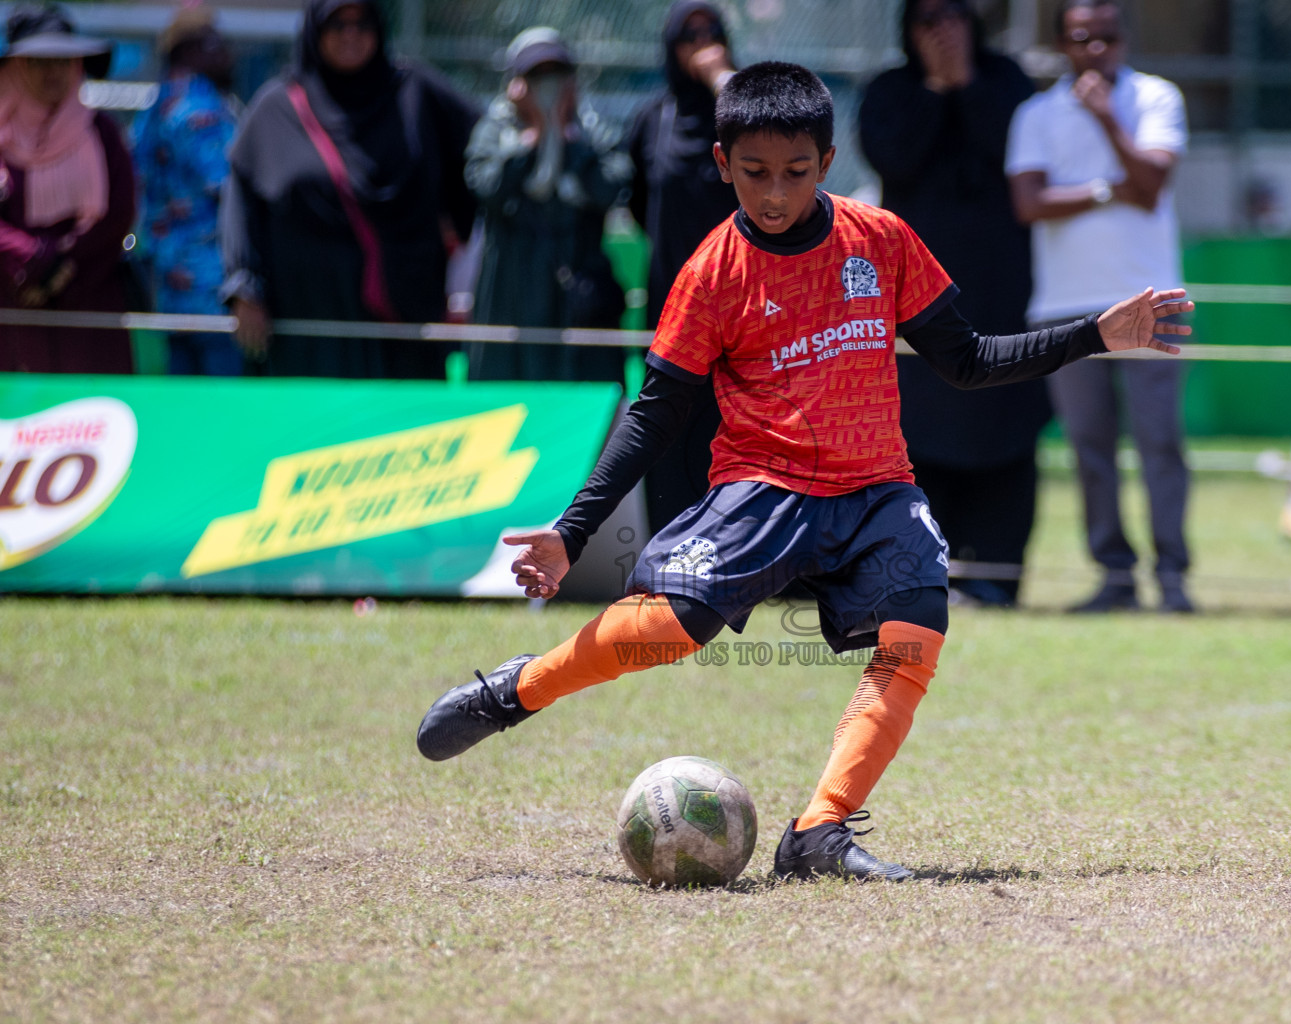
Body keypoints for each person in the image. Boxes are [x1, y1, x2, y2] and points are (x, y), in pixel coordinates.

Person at [415, 63, 1191, 881]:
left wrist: (1095, 335)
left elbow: (966, 360)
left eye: (795, 172)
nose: (775, 193)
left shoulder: (881, 240)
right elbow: (656, 412)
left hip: (875, 487)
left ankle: (819, 832)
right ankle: (514, 691)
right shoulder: (711, 273)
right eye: (753, 174)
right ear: (722, 164)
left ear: (826, 162)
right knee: (669, 630)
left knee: (917, 631)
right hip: (762, 487)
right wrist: (573, 533)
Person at [1006, 0, 1194, 614]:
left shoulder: (1157, 98)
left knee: (1160, 444)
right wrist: (1109, 187)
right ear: (1063, 44)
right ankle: (1115, 577)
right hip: (1066, 309)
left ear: (1125, 40)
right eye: (1082, 38)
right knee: (1090, 448)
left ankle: (1172, 579)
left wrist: (1108, 119)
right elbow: (1029, 203)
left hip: (1153, 302)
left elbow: (1153, 185)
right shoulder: (1035, 114)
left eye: (1108, 38)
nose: (1095, 50)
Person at [860, 0, 1045, 607]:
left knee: (1006, 420)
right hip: (919, 298)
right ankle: (923, 573)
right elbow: (895, 158)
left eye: (954, 17)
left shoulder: (1008, 82)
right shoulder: (891, 91)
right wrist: (936, 90)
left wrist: (965, 85)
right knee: (921, 430)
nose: (943, 32)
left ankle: (996, 574)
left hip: (1003, 290)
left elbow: (1016, 151)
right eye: (928, 20)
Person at [220, 0, 478, 379]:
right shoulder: (276, 109)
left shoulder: (415, 92)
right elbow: (240, 208)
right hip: (306, 334)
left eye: (363, 25)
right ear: (314, 32)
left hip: (402, 329)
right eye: (337, 25)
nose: (351, 36)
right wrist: (243, 291)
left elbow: (481, 148)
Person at [627, 1, 742, 534]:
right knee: (669, 428)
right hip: (675, 300)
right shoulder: (654, 116)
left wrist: (722, 79)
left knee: (739, 430)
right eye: (687, 37)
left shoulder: (740, 113)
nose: (701, 45)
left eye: (711, 34)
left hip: (744, 302)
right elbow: (636, 201)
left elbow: (760, 124)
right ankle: (669, 554)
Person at [464, 27, 630, 383]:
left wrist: (568, 142)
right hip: (510, 294)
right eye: (536, 76)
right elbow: (486, 188)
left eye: (556, 74)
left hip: (578, 294)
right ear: (516, 83)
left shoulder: (593, 130)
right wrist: (534, 137)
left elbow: (611, 187)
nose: (548, 86)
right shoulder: (494, 129)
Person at [0, 4, 135, 374]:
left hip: (87, 311)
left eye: (62, 60)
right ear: (15, 66)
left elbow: (119, 216)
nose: (52, 73)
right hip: (11, 312)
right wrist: (30, 262)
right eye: (38, 62)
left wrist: (63, 266)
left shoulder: (102, 134)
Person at [133, 4, 242, 376]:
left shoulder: (153, 108)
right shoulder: (201, 110)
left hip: (167, 287)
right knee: (223, 412)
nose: (227, 53)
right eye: (215, 42)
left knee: (182, 402)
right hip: (211, 289)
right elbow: (229, 187)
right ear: (189, 49)